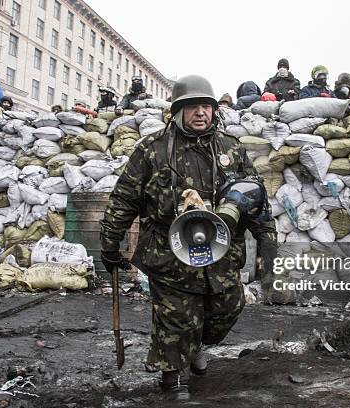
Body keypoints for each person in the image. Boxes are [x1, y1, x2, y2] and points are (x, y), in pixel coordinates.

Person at [100, 74, 277, 400]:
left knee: (228, 308)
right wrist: (110, 242)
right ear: (178, 111)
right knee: (176, 320)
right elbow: (124, 198)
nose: (200, 113)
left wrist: (267, 238)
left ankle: (196, 346)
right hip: (170, 254)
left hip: (220, 255)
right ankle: (172, 381)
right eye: (192, 107)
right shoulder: (152, 151)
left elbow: (254, 196)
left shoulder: (231, 149)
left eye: (206, 107)